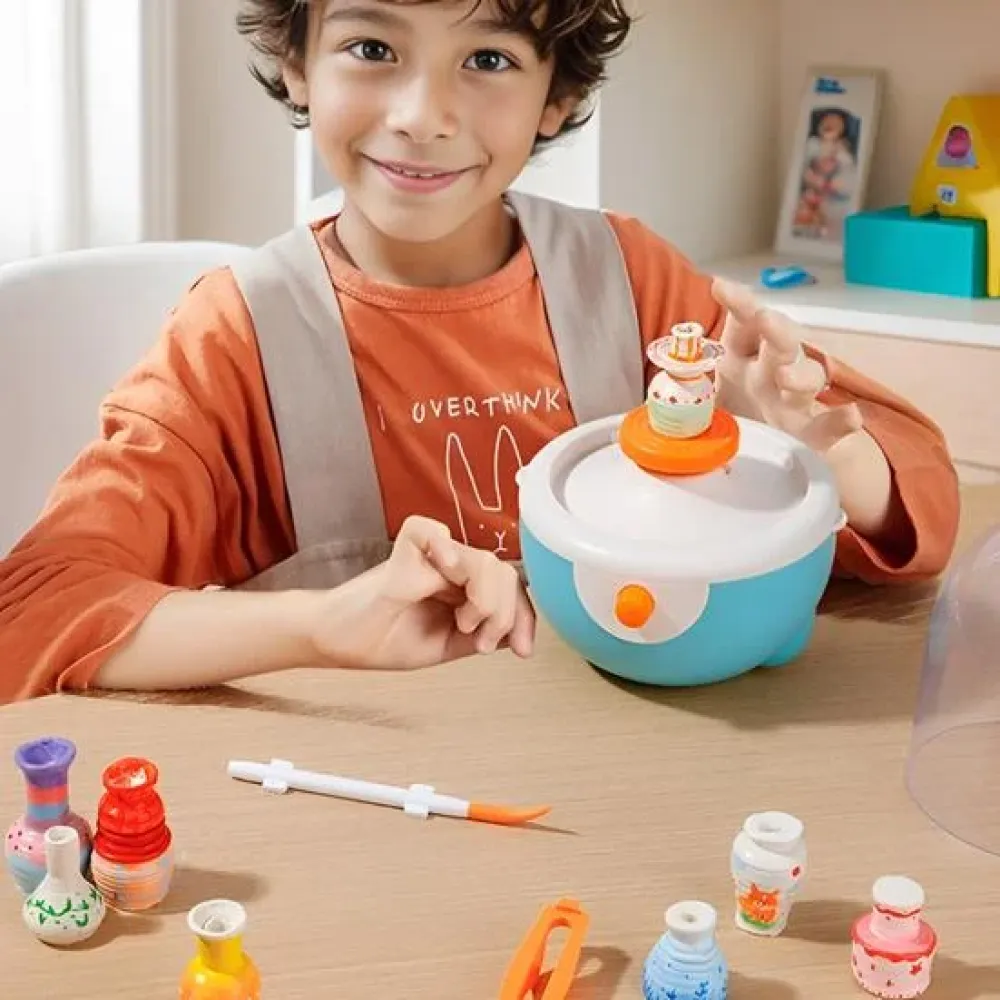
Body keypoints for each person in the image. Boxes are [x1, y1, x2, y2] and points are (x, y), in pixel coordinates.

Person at [0, 0, 959, 704]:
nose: (423, 114)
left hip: (632, 777)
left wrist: (808, 456)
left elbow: (921, 516)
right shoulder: (236, 336)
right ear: (297, 63)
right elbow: (36, 610)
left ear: (559, 93)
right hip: (367, 801)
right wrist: (318, 626)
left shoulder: (629, 280)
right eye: (372, 48)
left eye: (489, 59)